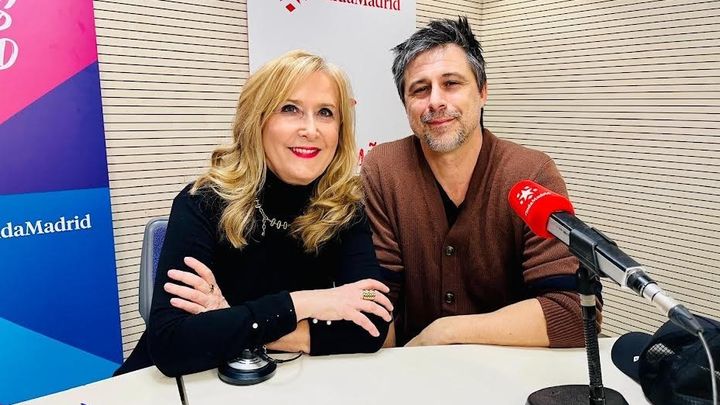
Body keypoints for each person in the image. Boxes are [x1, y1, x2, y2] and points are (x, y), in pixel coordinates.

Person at [117, 50, 392, 377]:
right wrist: (305, 303)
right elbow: (172, 344)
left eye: (325, 113)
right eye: (290, 109)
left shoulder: (344, 208)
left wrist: (233, 321)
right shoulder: (203, 202)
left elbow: (372, 321)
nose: (310, 129)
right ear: (256, 120)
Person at [361, 17, 599, 348]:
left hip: (511, 368)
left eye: (451, 83)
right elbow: (376, 298)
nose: (435, 101)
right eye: (420, 89)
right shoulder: (383, 168)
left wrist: (446, 332)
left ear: (483, 91)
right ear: (405, 105)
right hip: (412, 367)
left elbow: (574, 312)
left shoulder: (531, 173)